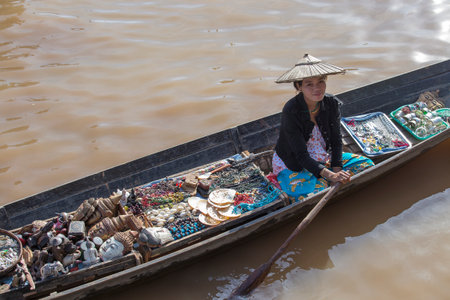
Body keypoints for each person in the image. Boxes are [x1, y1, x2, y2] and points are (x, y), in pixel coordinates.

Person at [273, 54, 374, 201]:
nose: (317, 88)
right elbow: (301, 155)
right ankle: (322, 178)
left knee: (367, 165)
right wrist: (331, 175)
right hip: (294, 161)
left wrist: (336, 170)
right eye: (309, 84)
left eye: (321, 81)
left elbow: (336, 140)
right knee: (304, 195)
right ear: (298, 86)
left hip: (321, 155)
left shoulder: (331, 103)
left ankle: (324, 177)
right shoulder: (291, 110)